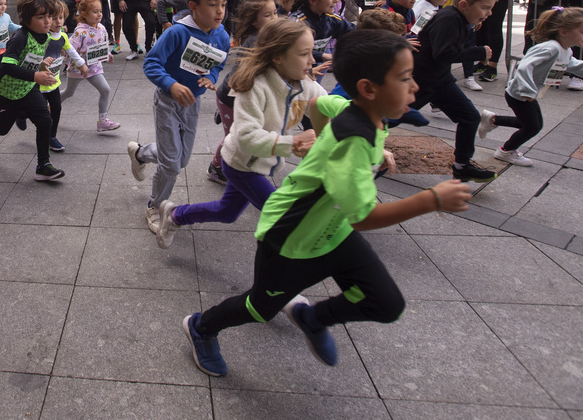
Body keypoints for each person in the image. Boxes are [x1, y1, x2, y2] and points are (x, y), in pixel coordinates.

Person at [181, 30, 473, 378]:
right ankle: (201, 326)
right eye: (405, 78)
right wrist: (432, 199)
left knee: (386, 303)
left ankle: (313, 317)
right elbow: (363, 216)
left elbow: (319, 104)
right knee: (260, 309)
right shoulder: (351, 141)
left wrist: (359, 136)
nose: (415, 86)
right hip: (290, 238)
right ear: (368, 88)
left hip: (333, 233)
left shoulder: (357, 110)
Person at [156, 17, 321, 248]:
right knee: (282, 213)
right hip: (241, 163)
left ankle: (175, 214)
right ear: (278, 56)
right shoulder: (255, 86)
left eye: (312, 52)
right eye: (304, 54)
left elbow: (331, 107)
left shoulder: (304, 84)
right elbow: (246, 136)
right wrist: (291, 142)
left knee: (227, 212)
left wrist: (370, 141)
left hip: (260, 162)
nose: (312, 60)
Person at [125, 0, 230, 233]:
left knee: (180, 160)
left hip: (192, 104)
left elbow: (219, 63)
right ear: (193, 6)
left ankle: (141, 153)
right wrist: (171, 84)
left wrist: (211, 77)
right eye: (213, 4)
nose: (220, 11)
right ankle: (154, 205)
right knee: (172, 165)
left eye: (224, 4)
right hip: (167, 102)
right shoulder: (177, 32)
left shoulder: (222, 36)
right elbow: (151, 63)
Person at [478, 7, 583, 166]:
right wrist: (527, 90)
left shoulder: (565, 50)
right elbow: (525, 66)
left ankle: (492, 119)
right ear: (564, 31)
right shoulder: (551, 48)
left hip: (527, 92)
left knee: (531, 123)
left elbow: (572, 64)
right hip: (520, 93)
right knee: (532, 127)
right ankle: (505, 151)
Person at [409, 0, 499, 182]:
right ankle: (355, 137)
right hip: (422, 81)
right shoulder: (449, 19)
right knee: (390, 118)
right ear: (464, 5)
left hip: (440, 80)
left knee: (470, 117)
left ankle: (462, 166)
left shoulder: (457, 18)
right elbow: (443, 53)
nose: (489, 13)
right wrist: (479, 52)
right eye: (485, 8)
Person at [0, 0, 66, 181]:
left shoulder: (46, 36)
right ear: (26, 19)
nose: (48, 21)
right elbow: (7, 66)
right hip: (5, 92)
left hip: (28, 89)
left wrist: (43, 65)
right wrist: (36, 75)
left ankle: (43, 165)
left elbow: (31, 59)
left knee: (45, 121)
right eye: (41, 17)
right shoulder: (19, 38)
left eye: (49, 16)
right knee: (3, 129)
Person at [206, 0, 279, 185]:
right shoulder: (255, 43)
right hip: (232, 98)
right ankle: (216, 167)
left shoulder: (269, 36)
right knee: (234, 137)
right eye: (267, 15)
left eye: (275, 13)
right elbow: (238, 78)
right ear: (253, 21)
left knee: (238, 135)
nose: (274, 18)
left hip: (242, 100)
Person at [60, 0, 120, 133]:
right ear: (84, 14)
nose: (99, 14)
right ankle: (50, 105)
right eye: (95, 12)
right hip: (78, 68)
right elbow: (70, 49)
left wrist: (108, 54)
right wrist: (78, 63)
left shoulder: (102, 27)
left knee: (105, 90)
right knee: (69, 92)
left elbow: (102, 44)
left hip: (95, 68)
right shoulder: (79, 32)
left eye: (100, 11)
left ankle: (102, 121)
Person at [38, 0, 88, 152]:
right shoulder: (41, 38)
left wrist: (81, 64)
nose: (58, 22)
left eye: (60, 17)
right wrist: (41, 63)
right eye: (53, 18)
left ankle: (52, 137)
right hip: (38, 84)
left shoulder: (63, 36)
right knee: (41, 115)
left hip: (54, 82)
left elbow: (71, 51)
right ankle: (22, 114)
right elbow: (32, 56)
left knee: (56, 109)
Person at [289, 0, 354, 69]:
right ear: (313, 0)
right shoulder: (297, 23)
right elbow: (292, 51)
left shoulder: (332, 20)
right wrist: (323, 56)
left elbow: (354, 32)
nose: (336, 0)